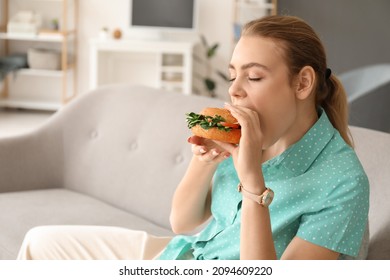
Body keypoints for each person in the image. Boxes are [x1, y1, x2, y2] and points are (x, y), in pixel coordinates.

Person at [17, 15, 369, 260]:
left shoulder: (343, 181)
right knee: (39, 243)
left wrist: (251, 181)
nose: (235, 91)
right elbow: (183, 223)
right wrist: (205, 161)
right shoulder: (249, 136)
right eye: (233, 76)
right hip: (181, 254)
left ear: (303, 83)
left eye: (255, 77)